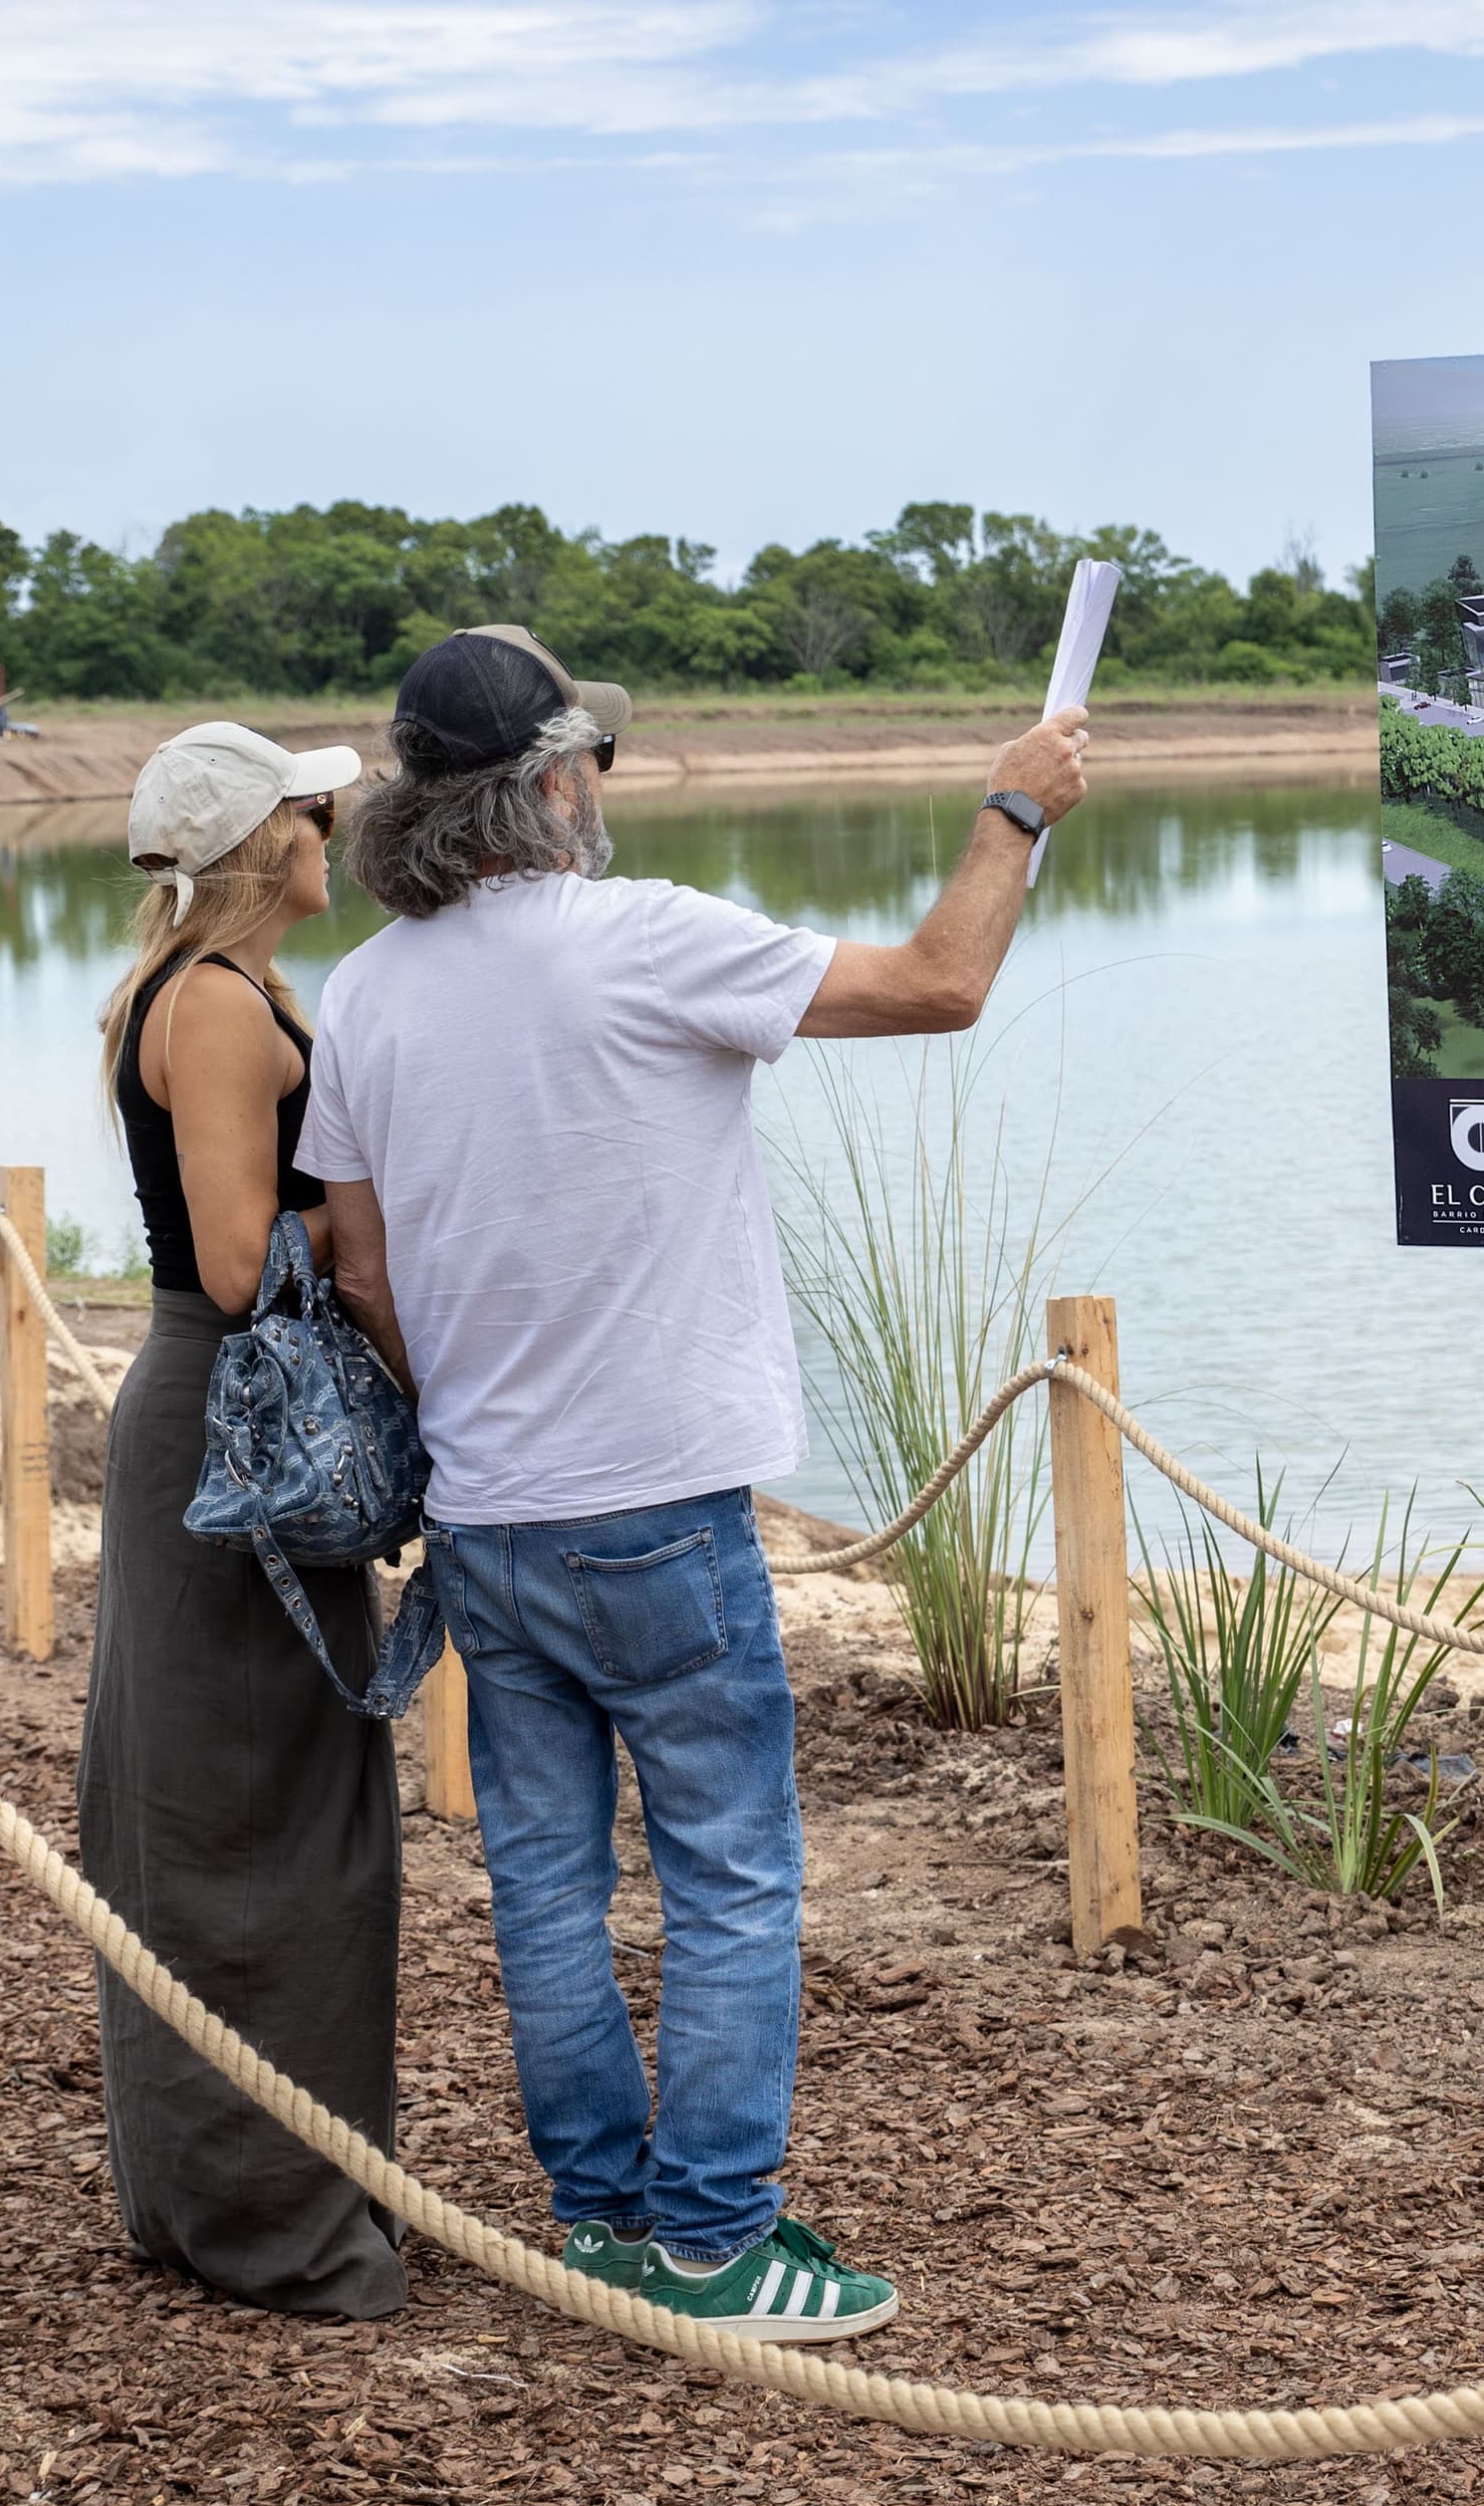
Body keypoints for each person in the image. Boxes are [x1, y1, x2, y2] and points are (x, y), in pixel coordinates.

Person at [299, 626, 1084, 2341]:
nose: (608, 787)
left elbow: (360, 1272)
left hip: (488, 1518)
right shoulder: (647, 939)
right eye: (599, 760)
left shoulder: (361, 993)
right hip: (658, 1510)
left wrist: (481, 1418)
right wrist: (1013, 813)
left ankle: (599, 2222)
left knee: (546, 1880)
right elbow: (946, 982)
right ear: (553, 783)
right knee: (730, 1871)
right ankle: (721, 2245)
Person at [79, 718, 409, 2319]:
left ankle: (246, 2192)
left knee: (245, 1803)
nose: (332, 829)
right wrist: (369, 1227)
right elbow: (231, 1265)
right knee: (242, 1821)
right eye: (312, 810)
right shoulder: (211, 1007)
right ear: (255, 846)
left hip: (216, 1417)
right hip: (235, 1421)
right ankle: (268, 2223)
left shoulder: (222, 990)